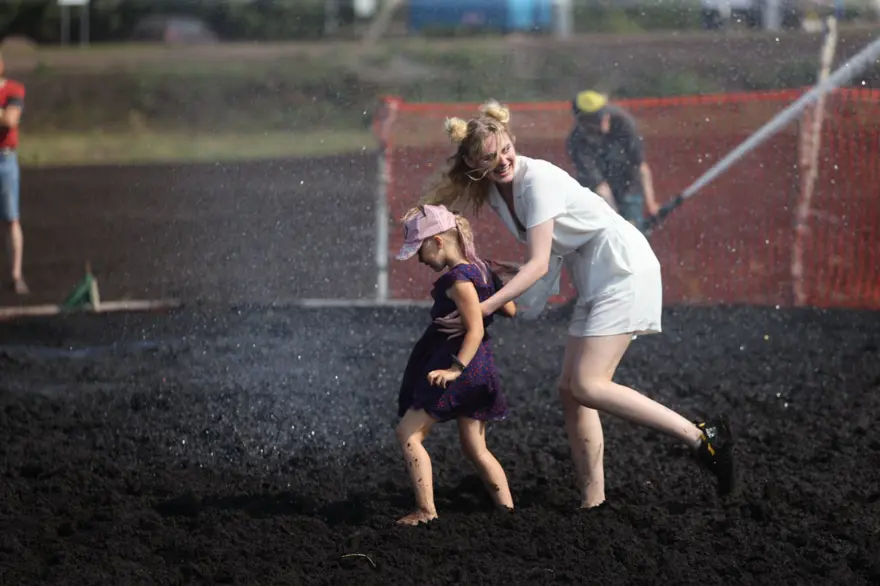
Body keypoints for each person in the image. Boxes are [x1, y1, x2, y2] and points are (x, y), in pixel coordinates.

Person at [421, 99, 736, 508]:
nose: (502, 161)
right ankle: (594, 502)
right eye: (489, 157)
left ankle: (702, 438)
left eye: (505, 150)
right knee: (571, 390)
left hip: (622, 268)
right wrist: (515, 271)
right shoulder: (499, 193)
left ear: (513, 141)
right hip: (593, 275)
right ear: (474, 164)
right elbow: (544, 257)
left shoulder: (536, 181)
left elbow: (538, 266)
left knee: (589, 384)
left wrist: (481, 309)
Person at [394, 203, 517, 525]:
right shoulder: (481, 268)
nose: (420, 260)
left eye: (420, 250)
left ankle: (426, 511)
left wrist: (454, 370)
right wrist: (494, 284)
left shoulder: (458, 278)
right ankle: (508, 512)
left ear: (437, 241)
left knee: (408, 433)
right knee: (476, 447)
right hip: (483, 367)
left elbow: (475, 328)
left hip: (463, 367)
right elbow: (511, 310)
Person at [566, 90, 660, 233]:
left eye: (604, 115)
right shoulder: (577, 141)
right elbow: (600, 187)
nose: (604, 120)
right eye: (596, 119)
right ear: (583, 122)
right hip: (598, 197)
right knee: (607, 238)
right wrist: (616, 221)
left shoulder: (624, 124)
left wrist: (651, 204)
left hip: (629, 186)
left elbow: (641, 166)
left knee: (635, 239)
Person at [0, 51, 28, 295]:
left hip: (5, 160)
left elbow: (10, 120)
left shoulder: (14, 90)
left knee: (11, 218)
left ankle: (16, 276)